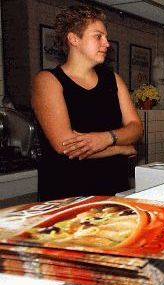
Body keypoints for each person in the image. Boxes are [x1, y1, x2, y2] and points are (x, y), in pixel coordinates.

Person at [31, 5, 143, 201]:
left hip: (113, 191)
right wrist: (120, 147)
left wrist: (106, 138)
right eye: (98, 36)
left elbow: (136, 128)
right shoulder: (47, 80)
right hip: (67, 196)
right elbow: (66, 147)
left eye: (105, 37)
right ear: (74, 39)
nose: (107, 43)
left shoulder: (113, 79)